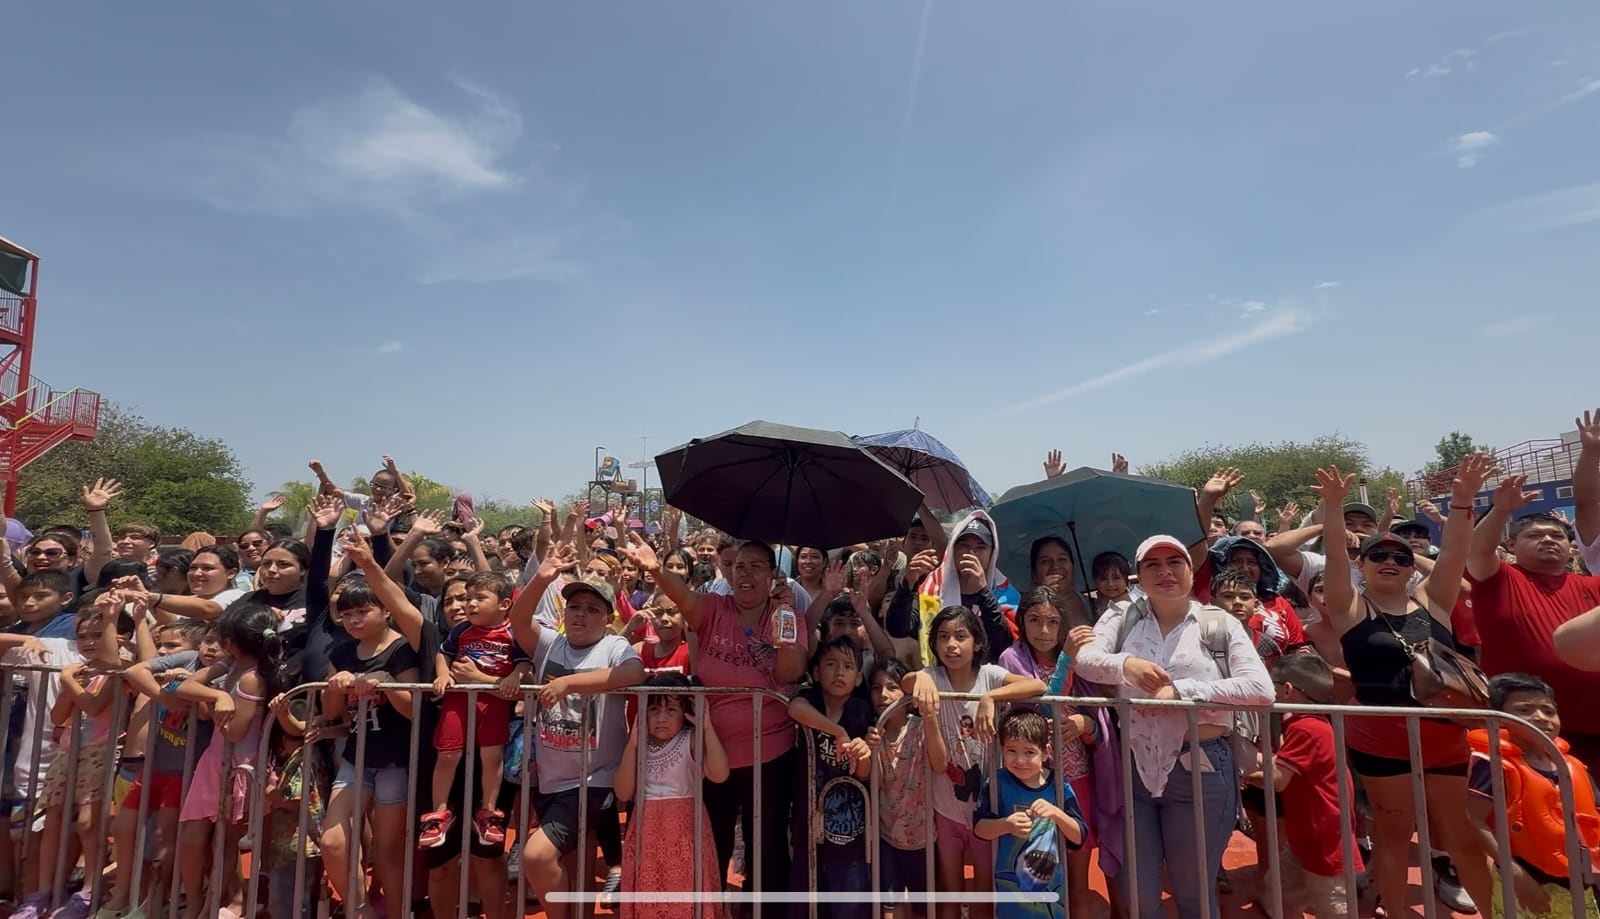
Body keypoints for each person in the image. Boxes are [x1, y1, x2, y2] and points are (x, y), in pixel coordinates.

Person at [1317, 460, 1494, 918]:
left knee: (1461, 835)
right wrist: (1333, 506)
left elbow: (1454, 552)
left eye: (1400, 556)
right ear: (1363, 566)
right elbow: (1335, 556)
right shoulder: (1350, 608)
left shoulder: (1434, 601)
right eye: (1379, 555)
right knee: (1394, 833)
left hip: (1443, 732)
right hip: (1381, 736)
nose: (1391, 562)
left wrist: (1462, 500)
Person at [1071, 534, 1274, 919]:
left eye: (1174, 562)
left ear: (1189, 569)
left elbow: (1260, 690)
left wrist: (1184, 691)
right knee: (1140, 896)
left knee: (1194, 893)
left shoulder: (1219, 623)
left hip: (1201, 770)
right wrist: (1124, 665)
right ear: (1139, 575)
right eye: (1153, 564)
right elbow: (1085, 657)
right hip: (1133, 770)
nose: (1164, 572)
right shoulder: (1121, 616)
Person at [623, 535, 806, 919]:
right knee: (711, 842)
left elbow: (791, 672)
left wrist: (785, 627)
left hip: (769, 754)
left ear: (773, 575)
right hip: (709, 754)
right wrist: (654, 568)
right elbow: (684, 598)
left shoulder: (787, 616)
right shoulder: (713, 608)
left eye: (756, 567)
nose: (746, 574)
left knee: (767, 846)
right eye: (739, 566)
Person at [511, 548, 645, 919]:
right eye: (574, 607)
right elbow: (518, 622)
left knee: (537, 855)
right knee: (574, 865)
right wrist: (541, 579)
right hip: (551, 776)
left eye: (592, 608)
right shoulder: (550, 642)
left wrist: (570, 683)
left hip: (594, 778)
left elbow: (634, 674)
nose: (581, 614)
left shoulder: (613, 645)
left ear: (607, 617)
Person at [905, 605, 1049, 919]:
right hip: (946, 806)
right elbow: (907, 682)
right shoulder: (933, 676)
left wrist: (991, 698)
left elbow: (1038, 686)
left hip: (988, 807)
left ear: (978, 643)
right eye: (942, 637)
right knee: (951, 887)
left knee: (985, 887)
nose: (951, 645)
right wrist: (922, 678)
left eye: (960, 636)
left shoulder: (990, 676)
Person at [1464, 470, 1600, 774]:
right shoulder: (1498, 579)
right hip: (1527, 729)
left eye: (1557, 536)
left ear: (1571, 546)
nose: (1549, 540)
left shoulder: (1594, 586)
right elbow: (1476, 551)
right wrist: (1501, 511)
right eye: (1535, 535)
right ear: (1511, 546)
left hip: (1595, 726)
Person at [319, 578, 423, 919]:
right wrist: (334, 687)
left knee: (388, 853)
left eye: (363, 611)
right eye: (347, 614)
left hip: (395, 760)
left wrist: (388, 683)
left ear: (386, 611)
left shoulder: (403, 649)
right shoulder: (341, 651)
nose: (354, 620)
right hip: (356, 756)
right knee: (333, 842)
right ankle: (360, 911)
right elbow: (331, 712)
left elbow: (413, 709)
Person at [174, 602, 284, 919]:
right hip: (213, 762)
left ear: (232, 640)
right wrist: (218, 696)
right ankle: (199, 902)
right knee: (195, 836)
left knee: (226, 841)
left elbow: (235, 732)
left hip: (240, 768)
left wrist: (212, 702)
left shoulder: (252, 678)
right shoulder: (229, 666)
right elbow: (185, 686)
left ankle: (225, 903)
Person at [1465, 673, 1600, 918]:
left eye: (1548, 711)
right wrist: (1516, 875)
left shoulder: (1571, 765)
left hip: (1579, 884)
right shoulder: (1494, 765)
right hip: (1528, 880)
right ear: (1500, 718)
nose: (1540, 717)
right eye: (1525, 710)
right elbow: (1474, 819)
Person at [1246, 653, 1361, 919]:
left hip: (1325, 846)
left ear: (1287, 690)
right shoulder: (1310, 723)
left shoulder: (1306, 728)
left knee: (1334, 911)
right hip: (1306, 839)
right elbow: (1283, 763)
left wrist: (1239, 771)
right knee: (1275, 894)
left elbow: (1278, 779)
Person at [421, 571, 530, 849]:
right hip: (458, 702)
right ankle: (438, 813)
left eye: (479, 598)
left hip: (494, 703)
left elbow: (523, 663)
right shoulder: (461, 630)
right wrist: (443, 675)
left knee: (492, 757)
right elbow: (442, 654)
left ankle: (488, 811)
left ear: (504, 604)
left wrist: (513, 676)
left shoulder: (512, 632)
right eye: (468, 598)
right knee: (447, 754)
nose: (469, 605)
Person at [613, 672, 730, 919]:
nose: (662, 718)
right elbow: (623, 792)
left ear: (685, 712)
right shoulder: (639, 744)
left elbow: (719, 774)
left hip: (686, 832)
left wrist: (706, 726)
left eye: (671, 710)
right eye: (654, 710)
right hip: (647, 831)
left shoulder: (691, 739)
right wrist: (633, 744)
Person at [787, 636, 875, 917]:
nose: (839, 673)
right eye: (830, 664)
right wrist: (837, 732)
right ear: (815, 672)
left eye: (848, 666)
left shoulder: (862, 711)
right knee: (804, 904)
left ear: (859, 677)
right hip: (807, 827)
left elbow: (863, 775)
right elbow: (794, 708)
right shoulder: (810, 699)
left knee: (848, 908)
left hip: (850, 835)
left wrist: (863, 754)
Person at [973, 710, 1087, 919]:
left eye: (1029, 752)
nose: (1020, 760)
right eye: (1011, 750)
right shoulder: (997, 783)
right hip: (1009, 901)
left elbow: (1080, 835)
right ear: (1002, 750)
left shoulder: (1059, 785)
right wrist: (1005, 825)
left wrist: (1057, 814)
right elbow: (979, 828)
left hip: (1053, 898)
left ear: (1045, 752)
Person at [868, 658, 945, 919]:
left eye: (891, 687)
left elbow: (940, 763)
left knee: (924, 909)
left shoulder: (919, 727)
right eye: (876, 688)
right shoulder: (874, 732)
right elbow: (875, 783)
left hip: (923, 839)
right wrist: (872, 750)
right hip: (887, 836)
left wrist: (931, 718)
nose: (883, 695)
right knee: (891, 908)